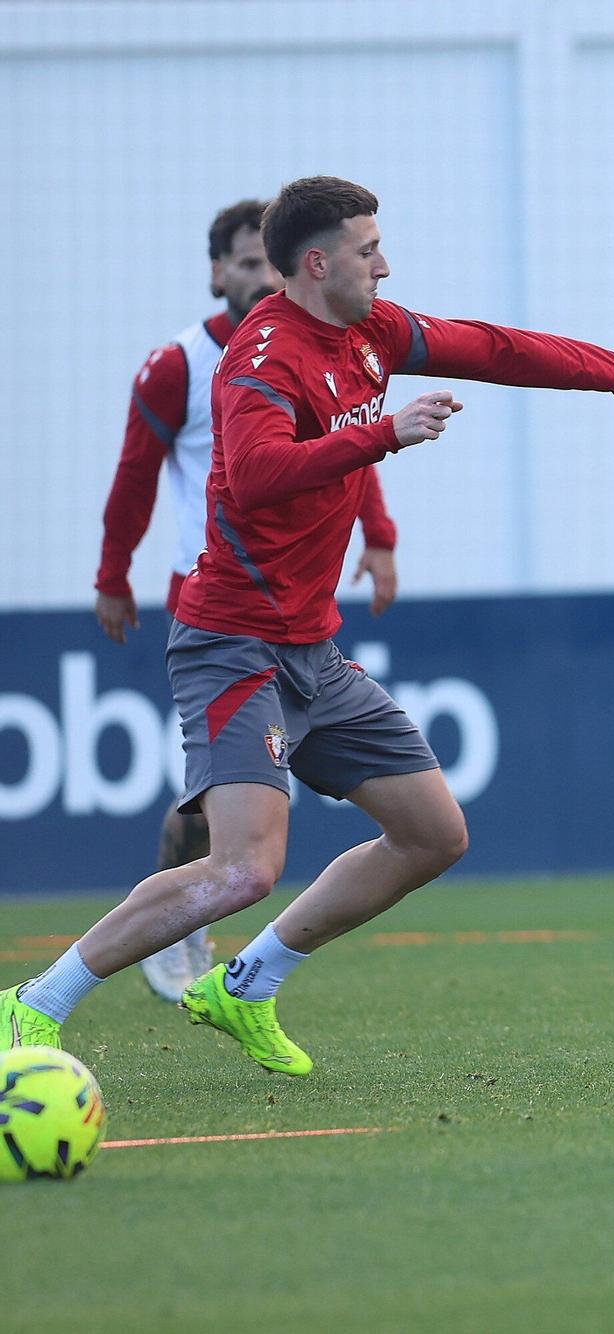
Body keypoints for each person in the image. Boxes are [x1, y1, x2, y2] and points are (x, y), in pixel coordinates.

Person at [4, 176, 614, 1071]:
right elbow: (254, 478)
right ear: (318, 262)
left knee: (434, 834)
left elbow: (495, 347)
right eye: (370, 249)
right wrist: (384, 435)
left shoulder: (372, 330)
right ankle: (34, 1002)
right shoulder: (257, 358)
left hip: (310, 652)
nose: (386, 263)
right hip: (231, 643)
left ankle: (245, 985)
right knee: (243, 869)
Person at [93, 198, 402, 1004]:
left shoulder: (327, 347)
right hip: (208, 595)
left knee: (234, 809)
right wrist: (111, 575)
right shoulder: (181, 366)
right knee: (210, 805)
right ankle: (177, 926)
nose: (257, 275)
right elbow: (135, 477)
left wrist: (380, 535)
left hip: (295, 602)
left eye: (266, 261)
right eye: (242, 261)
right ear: (216, 270)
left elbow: (349, 446)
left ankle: (216, 947)